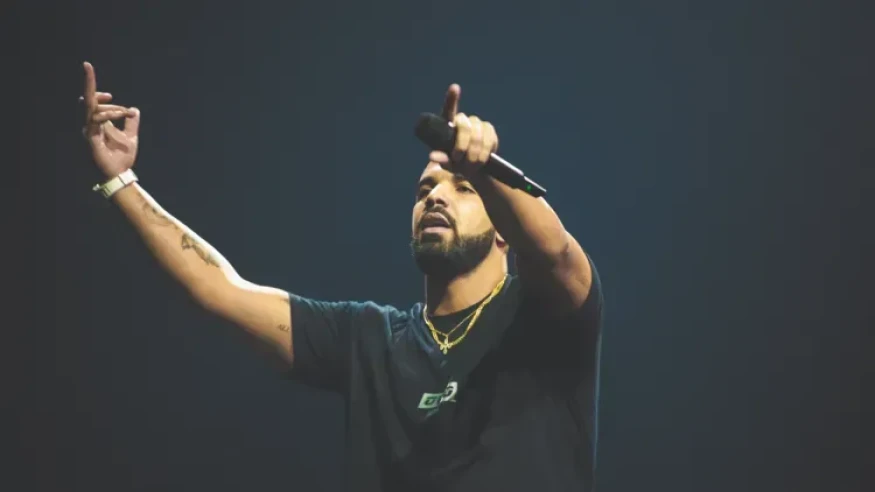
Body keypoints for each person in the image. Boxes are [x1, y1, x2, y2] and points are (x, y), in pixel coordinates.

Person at [80, 60, 604, 492]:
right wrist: (122, 181)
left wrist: (484, 168)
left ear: (504, 231)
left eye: (462, 188)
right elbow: (220, 289)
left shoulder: (543, 315)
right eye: (425, 190)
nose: (436, 197)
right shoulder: (369, 339)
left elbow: (555, 252)